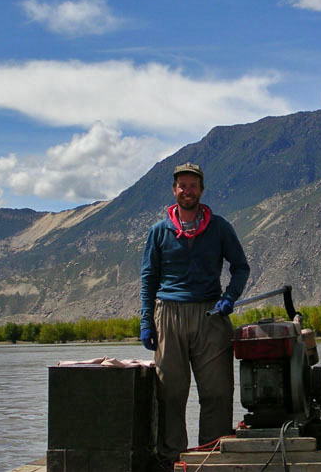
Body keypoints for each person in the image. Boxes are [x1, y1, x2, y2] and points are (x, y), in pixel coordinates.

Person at [140, 161, 250, 467]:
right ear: (174, 190)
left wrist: (229, 298)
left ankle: (210, 458)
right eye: (182, 186)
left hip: (210, 314)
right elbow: (149, 279)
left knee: (217, 393)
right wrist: (146, 321)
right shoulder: (158, 232)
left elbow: (241, 267)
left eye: (193, 186)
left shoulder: (220, 227)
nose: (187, 191)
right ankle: (172, 460)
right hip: (168, 314)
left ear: (201, 190)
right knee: (170, 394)